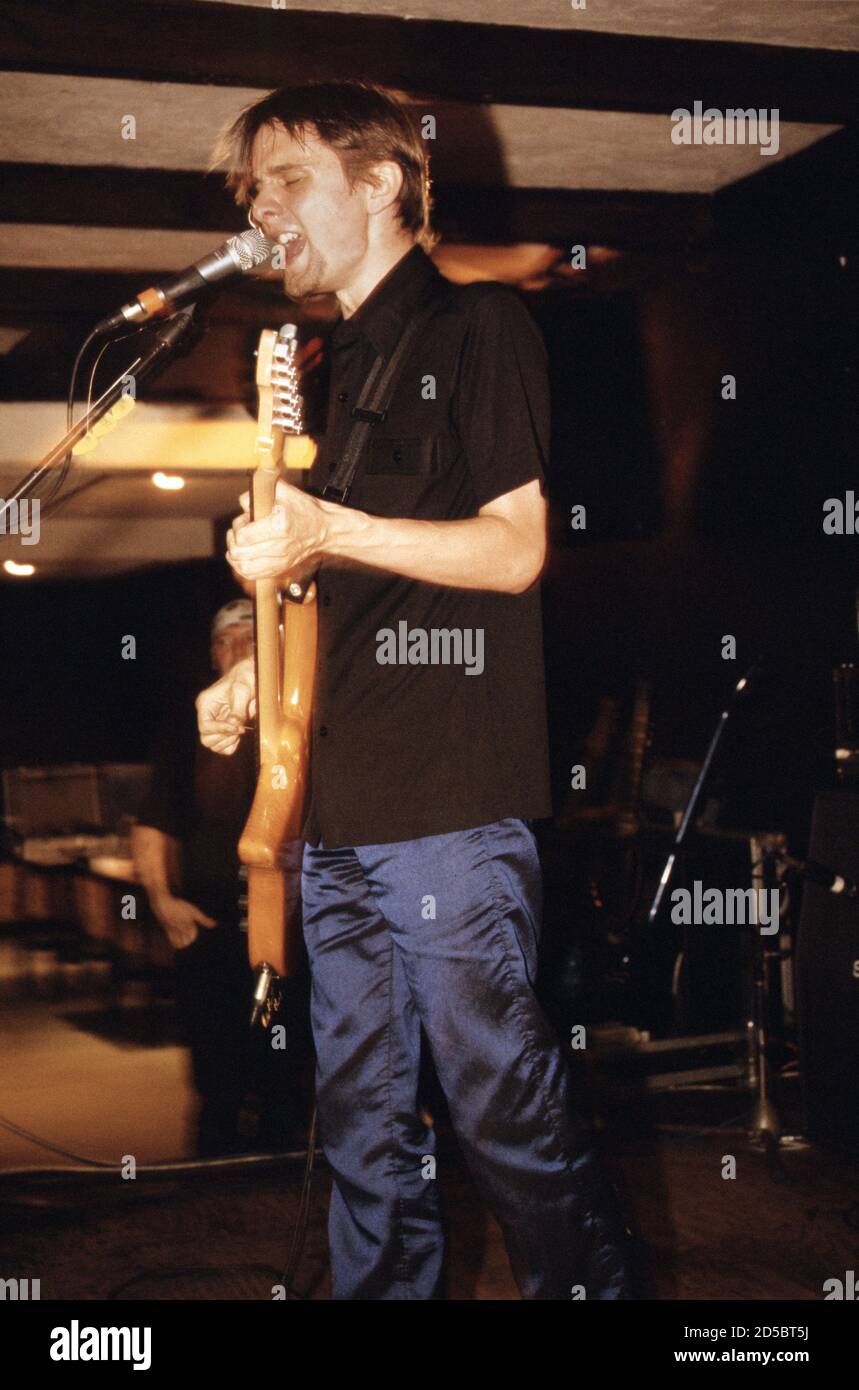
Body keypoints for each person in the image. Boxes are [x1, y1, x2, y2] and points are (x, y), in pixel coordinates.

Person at [197, 81, 632, 1298]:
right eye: (250, 190)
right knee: (360, 1122)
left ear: (380, 181)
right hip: (338, 807)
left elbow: (511, 551)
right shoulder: (338, 371)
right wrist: (252, 677)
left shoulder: (479, 328)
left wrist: (328, 527)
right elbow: (341, 589)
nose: (259, 206)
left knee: (503, 1109)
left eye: (284, 179)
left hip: (446, 804)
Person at [135, 599, 307, 1156]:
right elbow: (153, 822)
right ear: (214, 654)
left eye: (252, 637)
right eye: (228, 640)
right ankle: (210, 1186)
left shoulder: (299, 717)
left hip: (291, 915)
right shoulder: (187, 727)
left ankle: (277, 1194)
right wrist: (162, 901)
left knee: (288, 1065)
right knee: (217, 1073)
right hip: (210, 917)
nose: (240, 649)